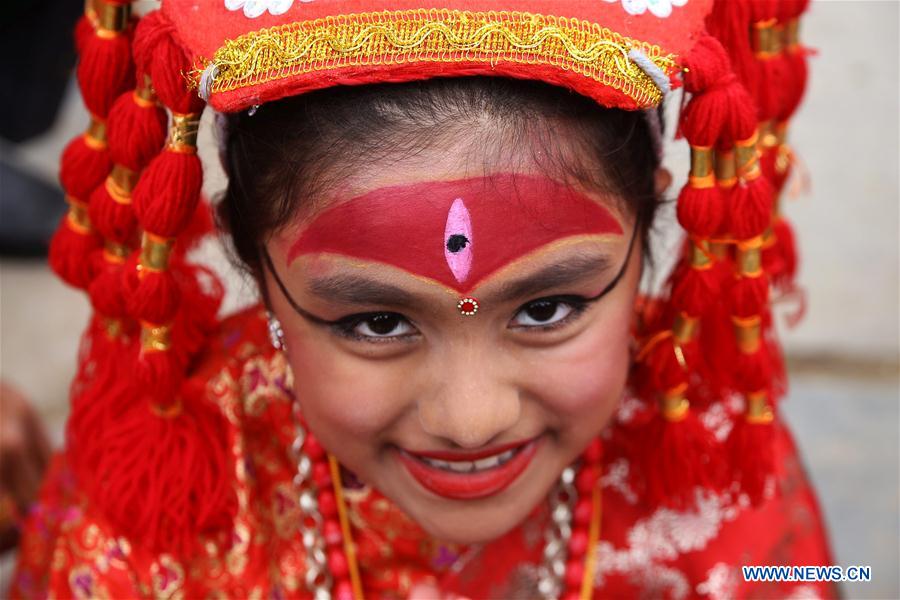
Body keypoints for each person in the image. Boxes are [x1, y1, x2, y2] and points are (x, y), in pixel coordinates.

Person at [8, 0, 835, 598]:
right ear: (254, 260)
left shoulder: (714, 454)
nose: (470, 420)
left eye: (548, 310)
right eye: (376, 321)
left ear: (653, 217)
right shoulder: (156, 504)